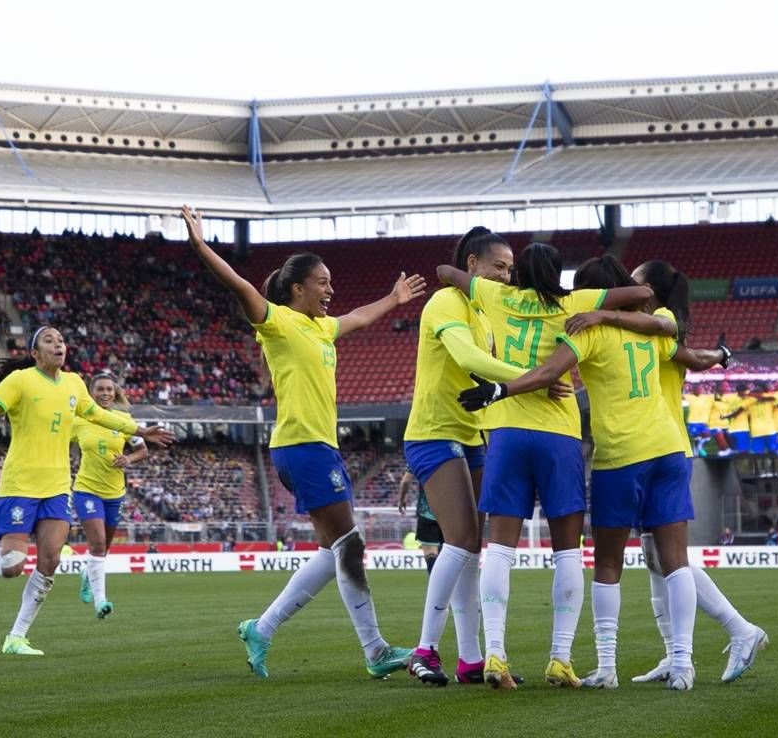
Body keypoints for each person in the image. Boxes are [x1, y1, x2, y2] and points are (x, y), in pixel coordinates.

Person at [181, 204, 425, 680]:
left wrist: (394, 299)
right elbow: (241, 285)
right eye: (323, 282)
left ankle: (261, 628)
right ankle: (375, 651)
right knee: (350, 546)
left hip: (318, 447)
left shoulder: (321, 328)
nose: (331, 290)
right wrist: (200, 245)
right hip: (302, 446)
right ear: (298, 288)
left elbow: (358, 316)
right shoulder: (277, 323)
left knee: (333, 551)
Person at [440, 244, 652, 689]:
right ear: (561, 275)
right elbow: (642, 292)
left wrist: (475, 278)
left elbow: (445, 271)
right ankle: (560, 658)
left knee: (498, 548)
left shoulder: (497, 297)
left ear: (517, 275)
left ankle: (495, 654)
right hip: (559, 436)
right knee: (567, 550)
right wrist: (602, 313)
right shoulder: (575, 302)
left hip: (507, 430)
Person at [568, 257, 766, 686]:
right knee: (657, 559)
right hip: (667, 445)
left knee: (662, 559)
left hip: (641, 445)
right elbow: (693, 357)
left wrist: (601, 312)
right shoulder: (651, 326)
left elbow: (679, 344)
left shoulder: (647, 321)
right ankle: (676, 654)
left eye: (637, 282)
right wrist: (720, 356)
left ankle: (738, 629)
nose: (630, 286)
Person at [0, 326, 173, 655]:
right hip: (21, 484)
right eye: (49, 340)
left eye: (61, 340)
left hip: (57, 488)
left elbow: (99, 415)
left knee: (50, 560)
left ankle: (16, 637)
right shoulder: (21, 381)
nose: (58, 345)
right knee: (11, 566)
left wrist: (140, 429)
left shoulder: (73, 384)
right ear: (35, 353)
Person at [401, 226, 563, 686]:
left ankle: (470, 658)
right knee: (462, 539)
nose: (507, 277)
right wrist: (536, 377)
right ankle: (425, 650)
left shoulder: (485, 309)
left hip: (473, 434)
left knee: (471, 546)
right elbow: (469, 358)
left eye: (511, 270)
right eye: (499, 267)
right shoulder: (445, 303)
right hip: (434, 433)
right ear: (471, 265)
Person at [72, 369, 150, 619]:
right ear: (90, 393)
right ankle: (101, 600)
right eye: (100, 389)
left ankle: (87, 574)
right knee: (96, 544)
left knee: (102, 548)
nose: (105, 393)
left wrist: (128, 458)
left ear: (115, 392)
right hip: (86, 490)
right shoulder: (79, 419)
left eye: (109, 389)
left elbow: (143, 451)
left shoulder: (123, 419)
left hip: (115, 493)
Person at [397, 470, 441, 577]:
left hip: (426, 512)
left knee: (431, 553)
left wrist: (401, 500)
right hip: (450, 513)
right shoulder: (455, 452)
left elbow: (406, 481)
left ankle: (437, 589)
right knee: (451, 553)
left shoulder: (418, 453)